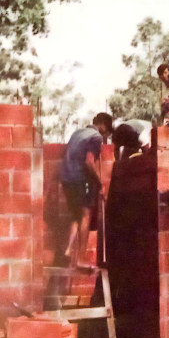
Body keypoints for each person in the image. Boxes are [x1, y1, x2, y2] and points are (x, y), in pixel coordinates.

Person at [58, 113, 114, 269]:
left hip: (66, 179)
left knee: (77, 215)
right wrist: (99, 184)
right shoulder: (96, 137)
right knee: (85, 216)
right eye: (107, 129)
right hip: (81, 179)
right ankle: (81, 259)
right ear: (102, 124)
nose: (106, 134)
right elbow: (89, 162)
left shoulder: (77, 133)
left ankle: (68, 250)